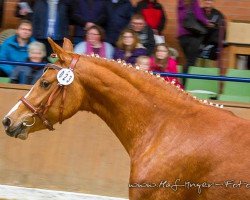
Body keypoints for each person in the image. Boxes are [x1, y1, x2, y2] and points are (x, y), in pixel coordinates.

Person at [177, 0, 212, 76]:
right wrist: (207, 22)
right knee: (191, 61)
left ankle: (184, 82)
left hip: (181, 37)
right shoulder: (193, 1)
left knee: (188, 60)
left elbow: (180, 17)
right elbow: (199, 15)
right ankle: (184, 84)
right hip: (192, 35)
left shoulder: (180, 2)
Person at [199, 0, 226, 64]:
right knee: (199, 63)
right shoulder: (198, 12)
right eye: (206, 0)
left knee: (209, 64)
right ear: (203, 2)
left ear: (213, 2)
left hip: (212, 44)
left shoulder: (218, 14)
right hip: (199, 42)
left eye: (210, 0)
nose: (208, 2)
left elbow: (222, 28)